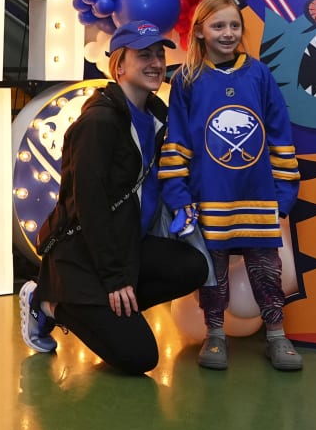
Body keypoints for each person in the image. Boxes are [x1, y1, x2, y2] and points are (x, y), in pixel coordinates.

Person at [18, 21, 212, 375]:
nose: (156, 63)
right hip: (82, 253)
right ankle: (48, 303)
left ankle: (112, 313)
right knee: (140, 357)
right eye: (144, 56)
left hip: (127, 244)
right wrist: (115, 279)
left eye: (159, 55)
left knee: (193, 266)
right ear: (119, 65)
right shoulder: (98, 123)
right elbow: (90, 206)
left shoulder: (155, 114)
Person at [160, 0, 304, 371]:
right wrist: (179, 198)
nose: (227, 33)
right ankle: (215, 334)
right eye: (218, 25)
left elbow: (280, 136)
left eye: (234, 25)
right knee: (213, 273)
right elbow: (177, 143)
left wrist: (284, 196)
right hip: (210, 200)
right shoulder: (187, 80)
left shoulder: (259, 74)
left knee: (267, 270)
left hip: (257, 199)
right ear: (200, 31)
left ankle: (276, 334)